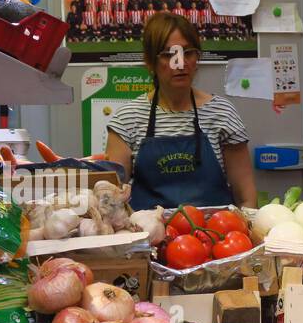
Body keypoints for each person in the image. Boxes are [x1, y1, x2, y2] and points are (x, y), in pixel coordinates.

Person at [104, 12, 256, 211]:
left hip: (215, 235)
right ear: (151, 62)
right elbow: (113, 204)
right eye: (169, 54)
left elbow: (247, 199)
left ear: (197, 57)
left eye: (188, 52)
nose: (181, 63)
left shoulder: (222, 114)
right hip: (149, 238)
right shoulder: (127, 120)